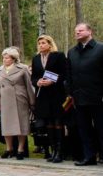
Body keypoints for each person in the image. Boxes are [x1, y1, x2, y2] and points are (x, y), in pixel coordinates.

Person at [66, 23, 103, 166]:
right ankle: (89, 156)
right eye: (75, 31)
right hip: (79, 97)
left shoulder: (100, 49)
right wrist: (70, 93)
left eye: (80, 30)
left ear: (90, 31)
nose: (77, 33)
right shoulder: (72, 52)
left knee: (101, 127)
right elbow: (69, 75)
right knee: (84, 128)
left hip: (98, 96)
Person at [30, 35, 67, 163]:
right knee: (49, 124)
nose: (41, 45)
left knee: (58, 123)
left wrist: (52, 81)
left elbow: (64, 74)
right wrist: (37, 82)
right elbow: (33, 77)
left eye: (43, 43)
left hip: (56, 94)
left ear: (50, 44)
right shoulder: (36, 59)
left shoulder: (58, 56)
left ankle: (60, 151)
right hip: (43, 96)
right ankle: (52, 150)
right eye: (39, 43)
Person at [0, 47, 35, 160]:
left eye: (7, 58)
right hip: (5, 100)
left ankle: (20, 149)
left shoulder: (23, 68)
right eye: (3, 57)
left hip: (20, 99)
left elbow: (29, 86)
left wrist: (32, 101)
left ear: (13, 58)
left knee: (22, 125)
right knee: (6, 125)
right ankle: (9, 148)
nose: (4, 59)